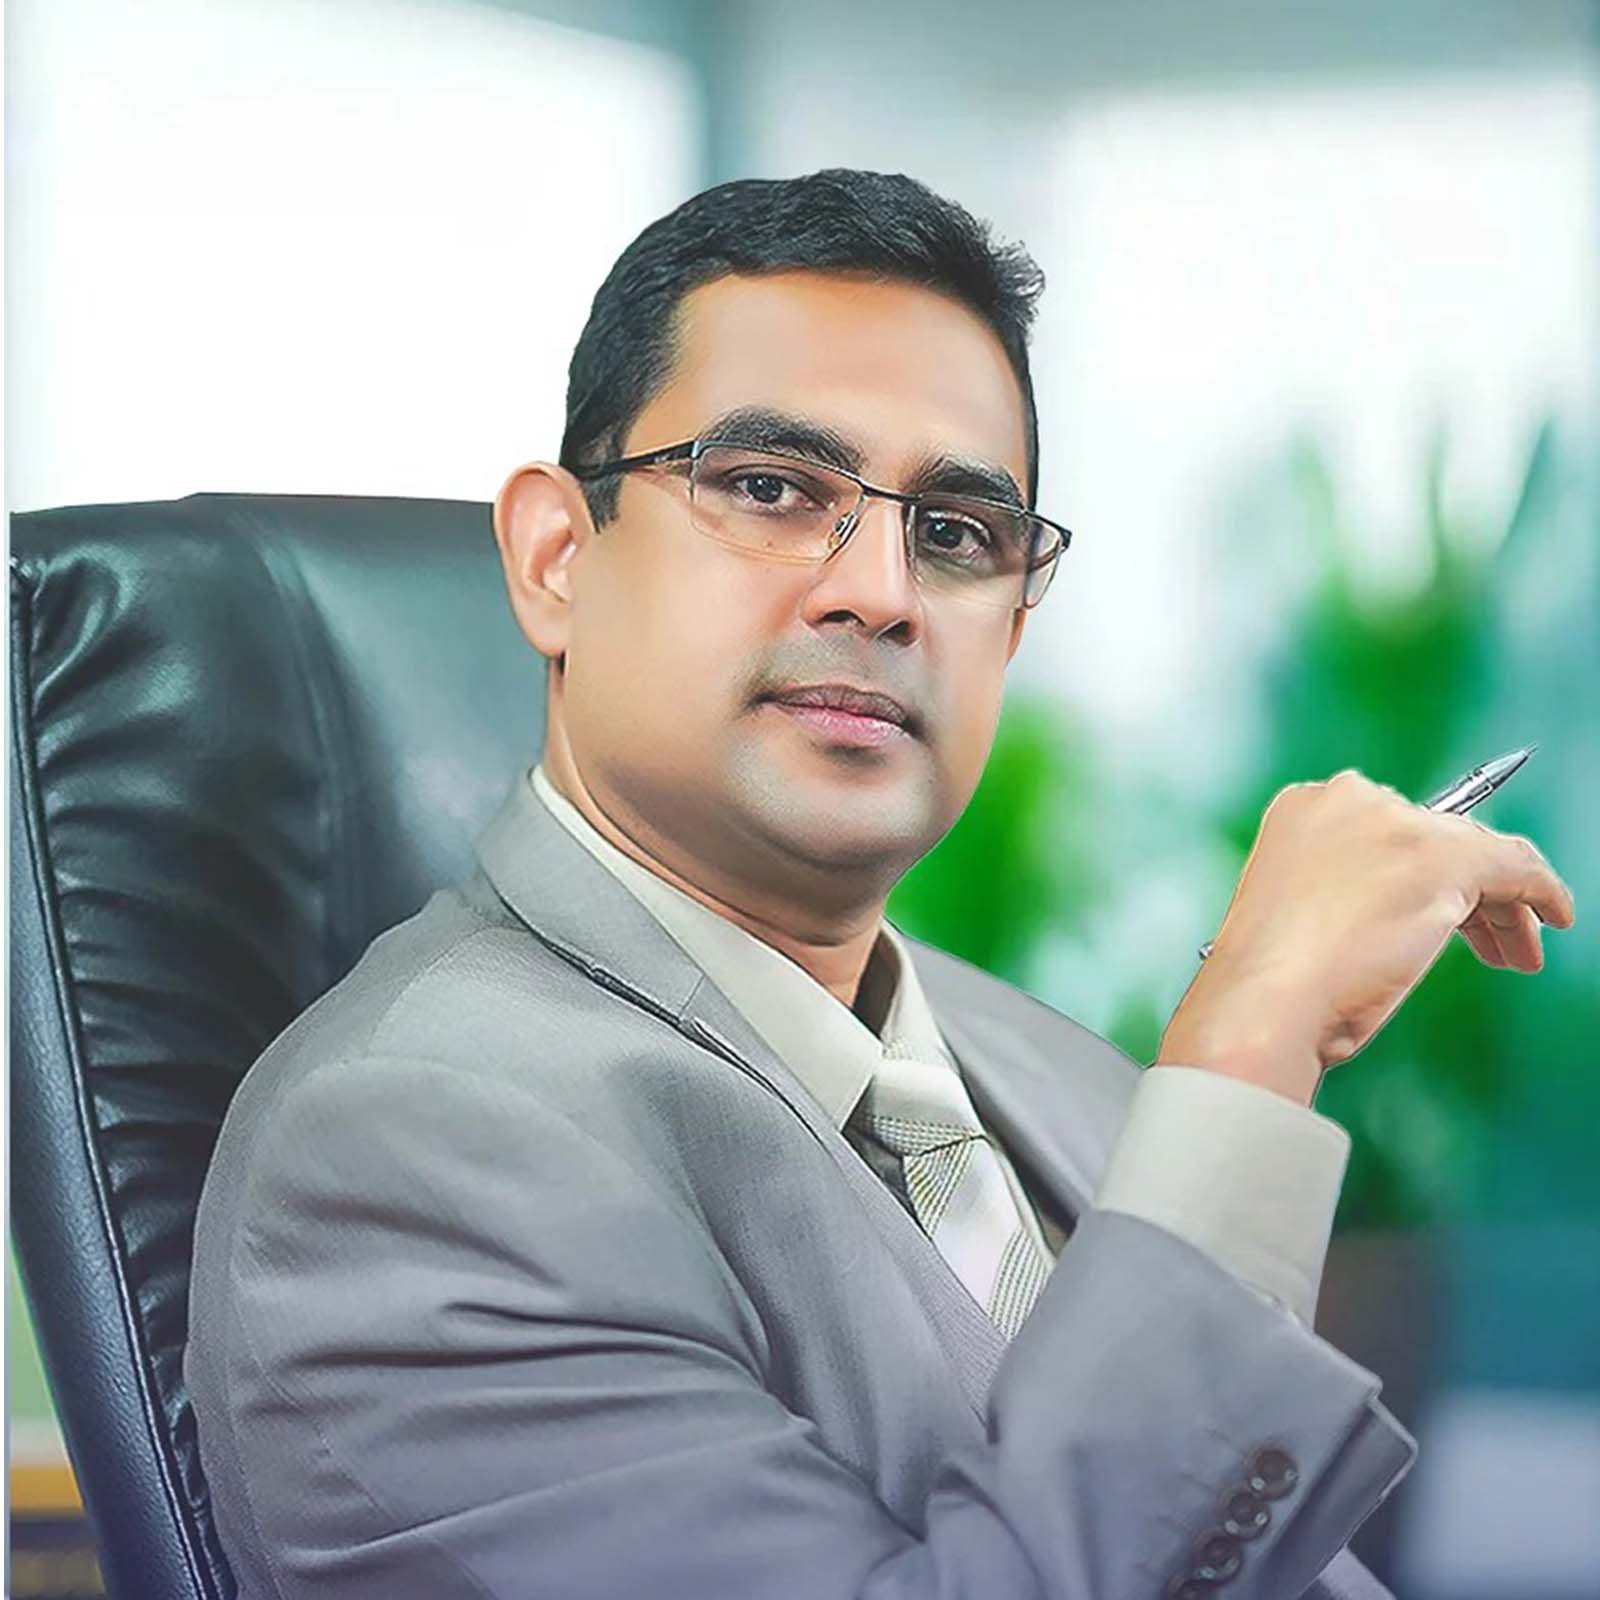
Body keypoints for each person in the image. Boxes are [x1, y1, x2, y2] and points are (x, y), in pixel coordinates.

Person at [184, 168, 1577, 1600]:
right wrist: (1252, 1035)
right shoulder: (404, 1156)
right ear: (556, 560)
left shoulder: (1051, 1073)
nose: (884, 593)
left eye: (958, 533)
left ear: (1011, 632)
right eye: (772, 489)